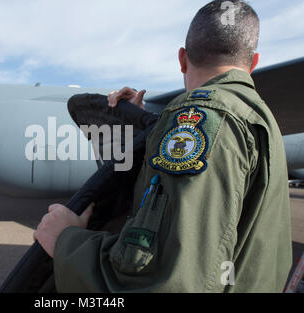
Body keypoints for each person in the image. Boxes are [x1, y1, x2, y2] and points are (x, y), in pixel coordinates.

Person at [34, 0, 292, 292]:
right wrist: (146, 132)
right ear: (253, 63)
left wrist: (67, 241)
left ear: (182, 59)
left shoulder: (202, 116)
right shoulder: (260, 119)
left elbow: (170, 279)